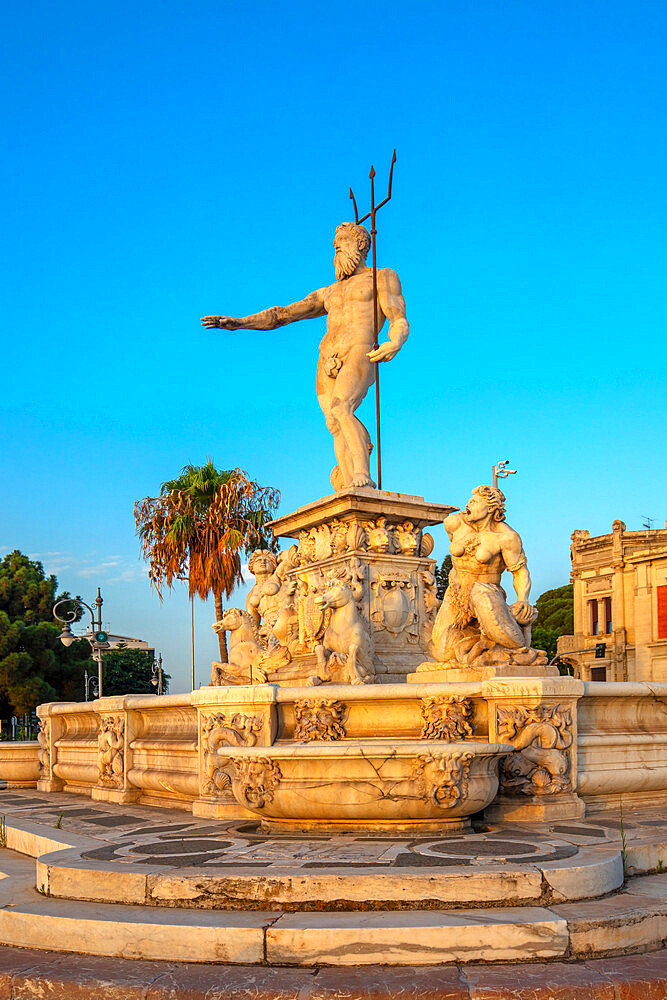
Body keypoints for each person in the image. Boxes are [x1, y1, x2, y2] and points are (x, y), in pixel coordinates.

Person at [201, 222, 408, 491]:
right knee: (333, 422)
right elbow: (282, 314)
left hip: (359, 348)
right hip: (327, 355)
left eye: (342, 240)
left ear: (360, 244)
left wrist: (395, 342)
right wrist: (241, 323)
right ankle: (349, 485)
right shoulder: (328, 292)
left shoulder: (382, 277)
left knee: (341, 407)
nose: (336, 247)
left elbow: (399, 317)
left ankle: (363, 476)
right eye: (335, 244)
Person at [429, 485, 545, 668]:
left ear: (490, 508)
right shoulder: (455, 524)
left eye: (474, 502)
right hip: (457, 594)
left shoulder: (506, 537)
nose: (468, 505)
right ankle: (481, 643)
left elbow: (520, 572)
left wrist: (523, 600)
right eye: (469, 501)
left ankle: (504, 637)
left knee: (513, 641)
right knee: (441, 653)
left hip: (485, 592)